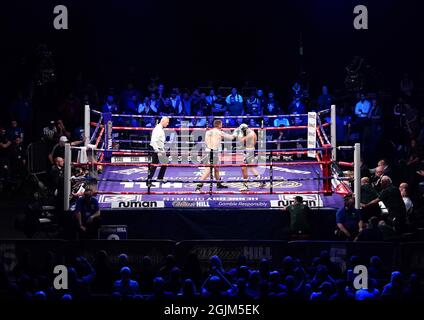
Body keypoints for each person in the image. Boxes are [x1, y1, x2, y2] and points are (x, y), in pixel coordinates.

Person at [195, 119, 236, 192]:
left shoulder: (208, 132)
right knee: (208, 170)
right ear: (220, 125)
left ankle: (218, 183)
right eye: (221, 124)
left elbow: (206, 141)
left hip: (208, 151)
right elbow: (232, 137)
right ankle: (198, 186)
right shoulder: (220, 132)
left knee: (216, 168)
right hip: (212, 152)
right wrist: (237, 131)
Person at [235, 124, 265, 191]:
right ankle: (261, 181)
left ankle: (245, 186)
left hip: (249, 152)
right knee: (251, 168)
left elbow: (241, 140)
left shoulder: (250, 134)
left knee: (243, 168)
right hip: (250, 151)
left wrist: (238, 134)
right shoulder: (251, 132)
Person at [147, 117, 169, 187]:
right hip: (155, 148)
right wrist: (158, 151)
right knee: (154, 165)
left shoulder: (160, 129)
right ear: (163, 121)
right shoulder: (158, 129)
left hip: (159, 148)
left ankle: (159, 178)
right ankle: (149, 181)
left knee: (164, 163)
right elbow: (153, 141)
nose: (168, 124)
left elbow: (159, 141)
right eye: (167, 122)